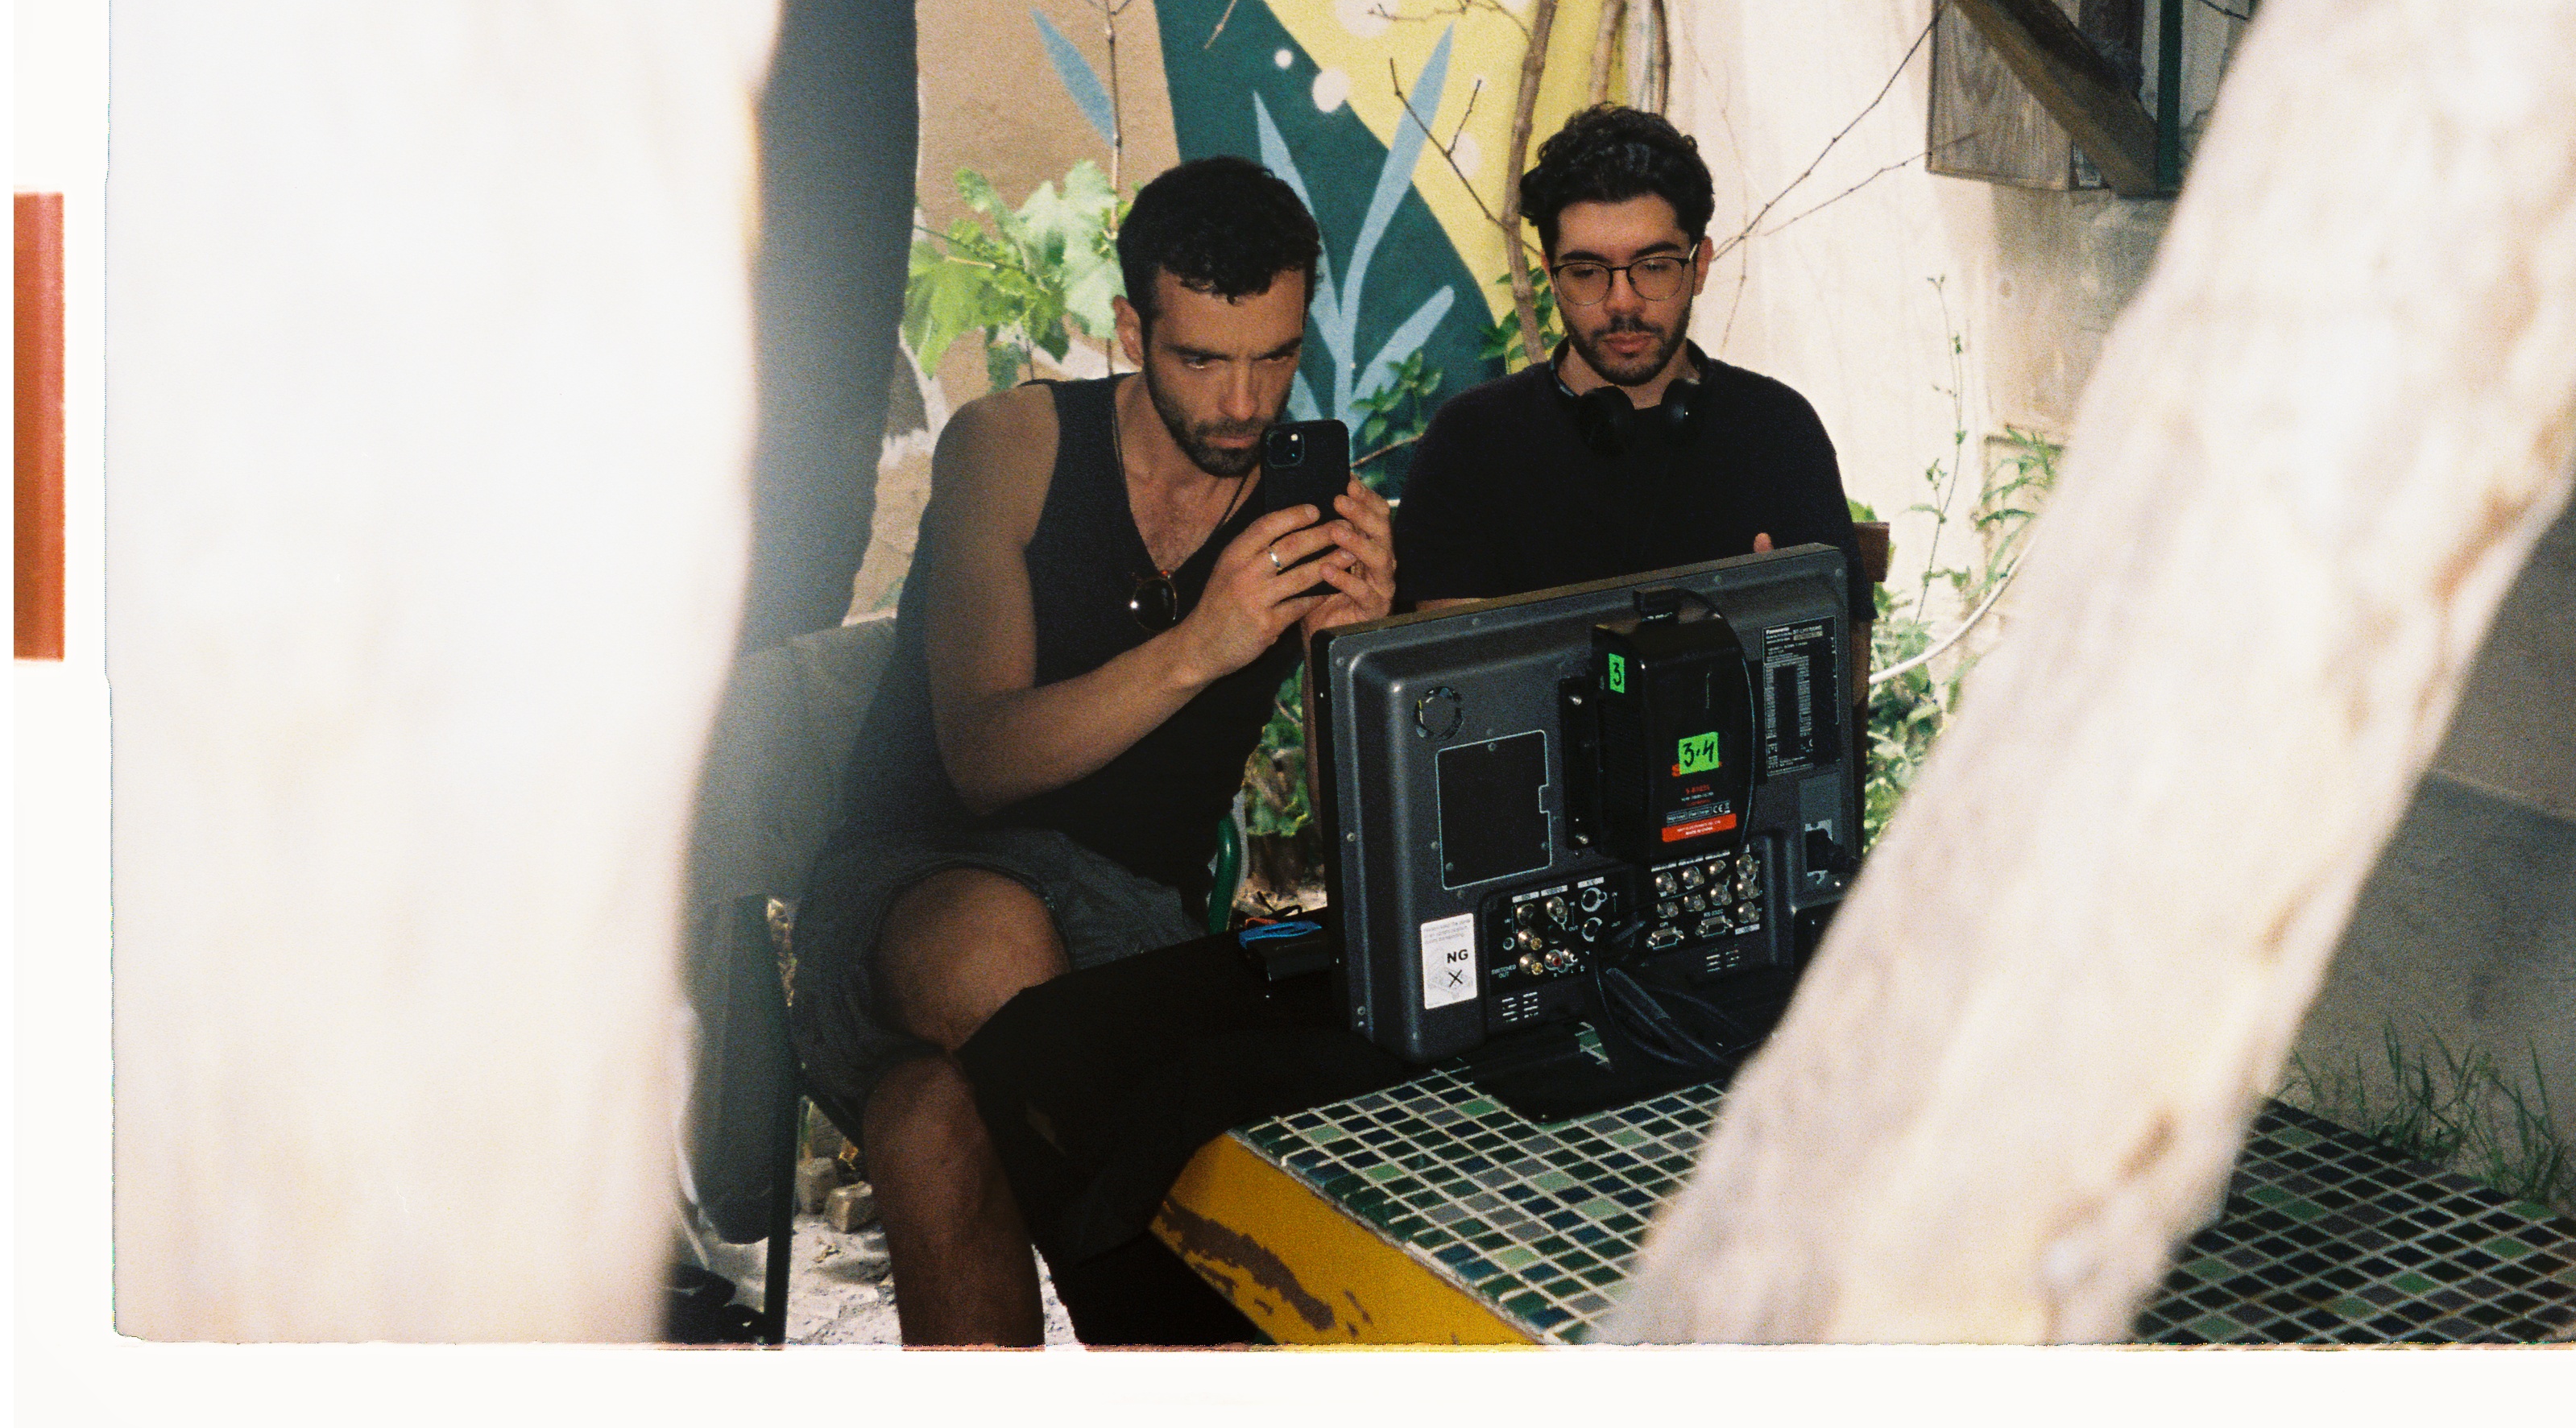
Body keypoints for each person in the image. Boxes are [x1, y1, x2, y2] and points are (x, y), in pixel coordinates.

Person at [787, 156, 1395, 1345]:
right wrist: (1202, 643)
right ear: (1130, 329)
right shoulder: (1009, 447)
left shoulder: (1302, 515)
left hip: (1132, 927)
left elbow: (1351, 838)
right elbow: (981, 757)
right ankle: (1173, 1336)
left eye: (1273, 357)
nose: (1242, 401)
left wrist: (1349, 656)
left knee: (926, 1126)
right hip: (913, 886)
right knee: (993, 939)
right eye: (1201, 359)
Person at [1393, 104, 1876, 647]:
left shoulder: (1777, 429)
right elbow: (1459, 675)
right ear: (1551, 275)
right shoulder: (1471, 442)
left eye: (1653, 267)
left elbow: (1846, 663)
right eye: (1586, 272)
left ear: (1699, 266)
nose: (1622, 302)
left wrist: (1785, 630)